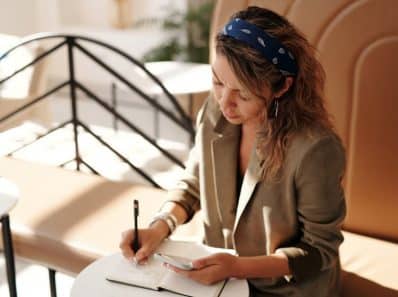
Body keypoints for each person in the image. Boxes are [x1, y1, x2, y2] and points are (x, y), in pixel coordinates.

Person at [120, 6, 346, 297]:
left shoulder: (316, 148)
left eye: (243, 94)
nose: (225, 103)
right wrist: (158, 228)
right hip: (216, 278)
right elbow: (193, 186)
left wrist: (237, 267)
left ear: (282, 87)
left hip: (284, 290)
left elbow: (318, 250)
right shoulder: (214, 113)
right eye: (217, 82)